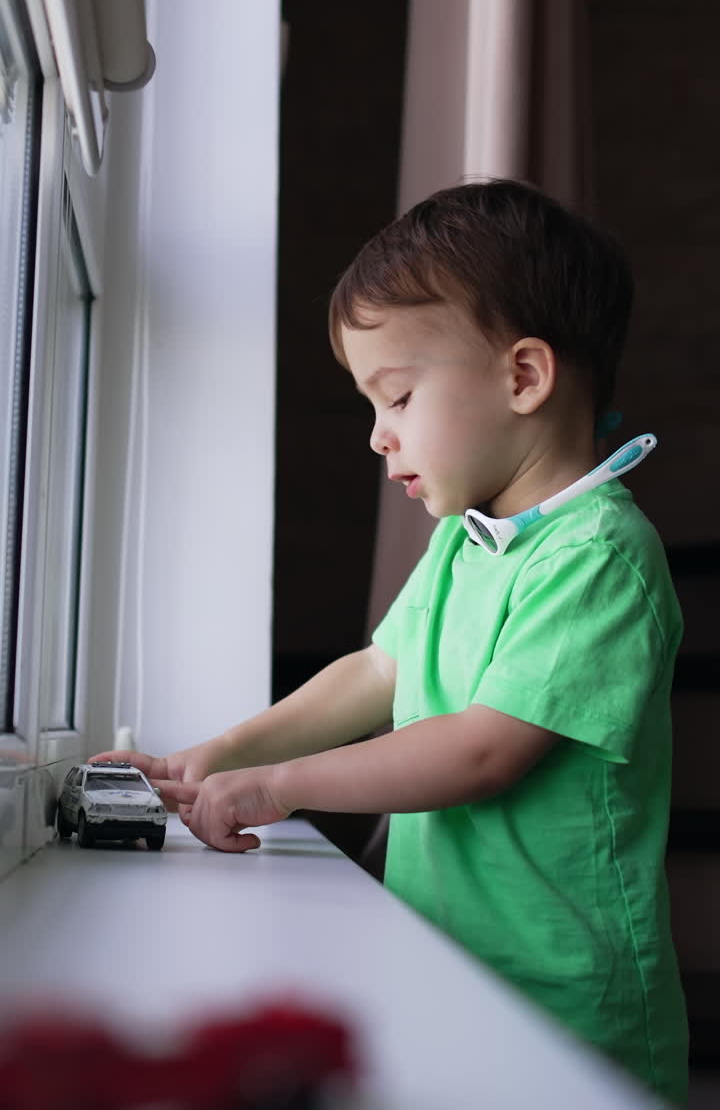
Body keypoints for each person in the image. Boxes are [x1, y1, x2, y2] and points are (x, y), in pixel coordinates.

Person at [94, 180, 688, 1103]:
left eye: (398, 397)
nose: (379, 437)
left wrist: (278, 787)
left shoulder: (598, 555)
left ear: (524, 378)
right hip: (451, 967)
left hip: (564, 999)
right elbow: (378, 671)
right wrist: (214, 756)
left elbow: (484, 749)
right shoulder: (468, 539)